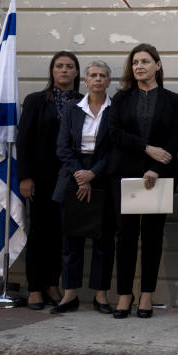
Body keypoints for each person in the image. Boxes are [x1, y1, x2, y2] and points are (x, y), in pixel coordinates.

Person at [108, 44, 178, 319]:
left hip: (159, 176)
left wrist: (154, 167)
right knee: (125, 236)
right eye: (135, 62)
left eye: (145, 61)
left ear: (158, 65)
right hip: (126, 174)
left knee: (152, 237)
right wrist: (146, 148)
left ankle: (147, 295)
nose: (139, 66)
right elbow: (114, 132)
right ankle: (124, 294)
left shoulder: (172, 99)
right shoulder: (121, 98)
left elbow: (175, 138)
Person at [50, 60, 115, 314]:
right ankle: (69, 295)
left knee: (104, 240)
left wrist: (93, 174)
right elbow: (62, 147)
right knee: (71, 239)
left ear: (109, 81)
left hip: (103, 174)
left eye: (102, 75)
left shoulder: (115, 109)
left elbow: (115, 148)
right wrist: (80, 174)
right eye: (93, 75)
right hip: (73, 174)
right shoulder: (71, 109)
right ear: (85, 81)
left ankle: (101, 295)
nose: (98, 79)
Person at [17, 51, 80, 310]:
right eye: (59, 66)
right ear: (52, 71)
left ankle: (52, 283)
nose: (64, 70)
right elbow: (24, 140)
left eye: (69, 66)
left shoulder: (84, 102)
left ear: (77, 72)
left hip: (70, 179)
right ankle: (34, 287)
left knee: (61, 234)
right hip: (41, 178)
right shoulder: (35, 101)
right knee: (39, 233)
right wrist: (25, 177)